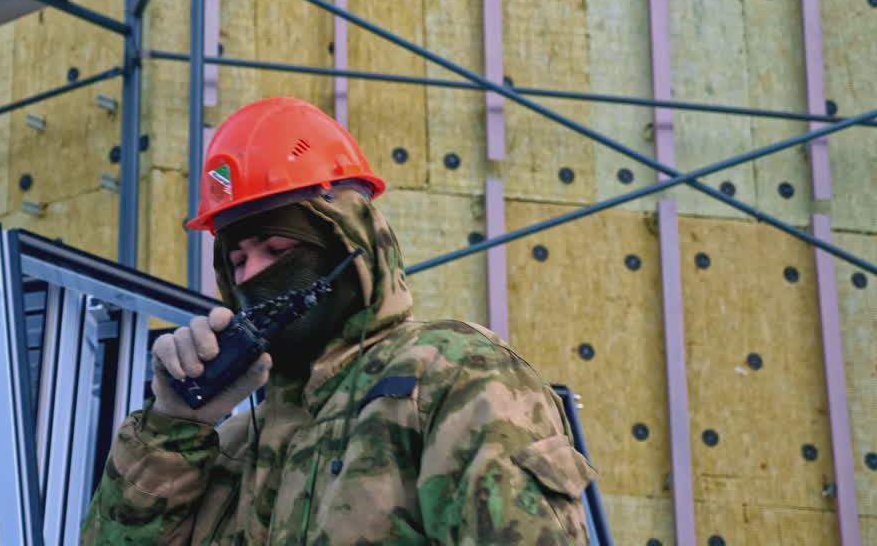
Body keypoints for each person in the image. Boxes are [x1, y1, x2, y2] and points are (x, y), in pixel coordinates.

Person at [81, 97, 595, 545]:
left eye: (276, 247)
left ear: (351, 245)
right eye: (236, 261)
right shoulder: (235, 445)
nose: (254, 274)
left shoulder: (448, 377)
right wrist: (174, 427)